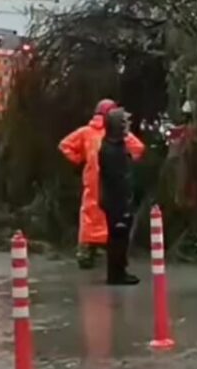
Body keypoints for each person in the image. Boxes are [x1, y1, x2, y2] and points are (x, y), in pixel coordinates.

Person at [59, 100, 144, 268]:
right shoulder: (117, 134)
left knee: (90, 215)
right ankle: (112, 254)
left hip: (92, 181)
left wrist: (80, 160)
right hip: (113, 182)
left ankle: (86, 252)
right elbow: (138, 149)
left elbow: (65, 145)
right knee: (113, 216)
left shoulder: (85, 132)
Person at [98, 108, 139, 285]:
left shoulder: (116, 146)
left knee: (120, 236)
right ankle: (116, 274)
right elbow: (117, 179)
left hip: (119, 199)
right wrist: (123, 204)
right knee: (117, 237)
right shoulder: (111, 150)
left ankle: (119, 270)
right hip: (116, 201)